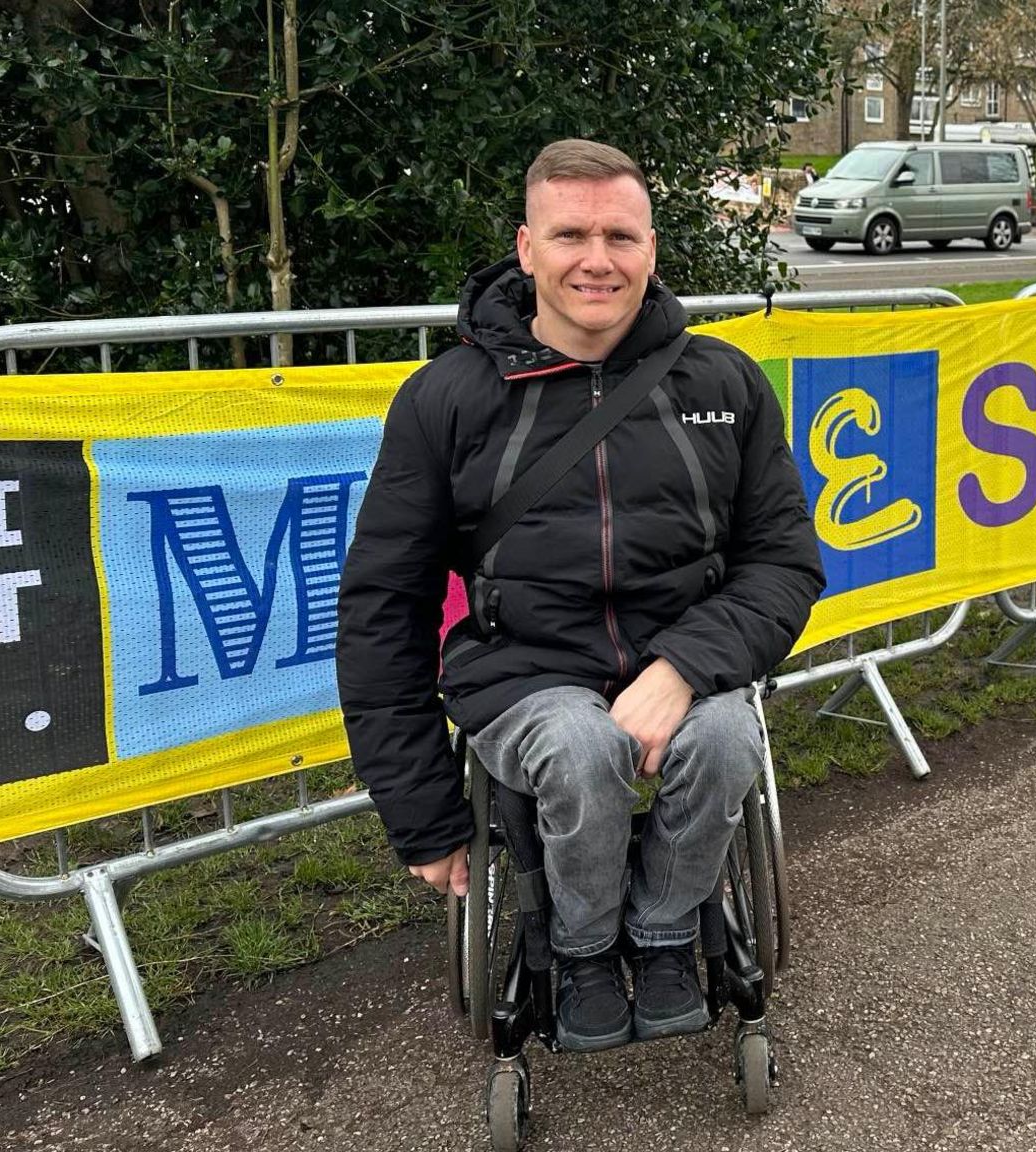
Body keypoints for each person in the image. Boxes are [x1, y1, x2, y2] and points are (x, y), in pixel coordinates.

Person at [337, 138, 825, 1054]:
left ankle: (666, 930)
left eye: (620, 235)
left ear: (651, 248)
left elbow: (784, 562)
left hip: (687, 656)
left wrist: (684, 667)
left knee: (727, 735)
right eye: (570, 234)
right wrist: (424, 815)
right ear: (527, 249)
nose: (597, 259)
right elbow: (382, 608)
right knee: (577, 743)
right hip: (521, 674)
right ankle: (584, 945)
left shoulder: (722, 383)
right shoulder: (445, 400)